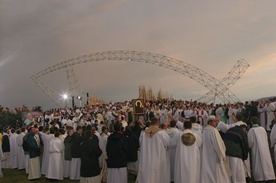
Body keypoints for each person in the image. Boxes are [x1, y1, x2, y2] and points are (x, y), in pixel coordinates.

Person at [137, 117, 170, 183]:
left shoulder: (144, 133)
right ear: (157, 124)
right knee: (158, 176)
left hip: (147, 160)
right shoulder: (162, 133)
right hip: (159, 158)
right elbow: (168, 144)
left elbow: (140, 144)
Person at [201, 115, 230, 183]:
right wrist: (222, 155)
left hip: (207, 154)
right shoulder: (213, 131)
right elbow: (218, 145)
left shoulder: (205, 130)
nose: (216, 123)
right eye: (214, 121)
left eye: (216, 121)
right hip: (215, 155)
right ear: (210, 122)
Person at [223, 112, 249, 183]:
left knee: (231, 171)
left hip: (228, 153)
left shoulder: (231, 128)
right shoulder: (242, 131)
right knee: (237, 172)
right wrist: (245, 156)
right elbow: (245, 145)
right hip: (236, 153)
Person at [248, 117, 275, 182]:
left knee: (258, 163)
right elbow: (266, 138)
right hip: (264, 148)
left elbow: (250, 142)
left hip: (256, 149)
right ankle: (269, 176)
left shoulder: (251, 130)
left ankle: (260, 177)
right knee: (266, 162)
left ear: (252, 122)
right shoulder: (262, 129)